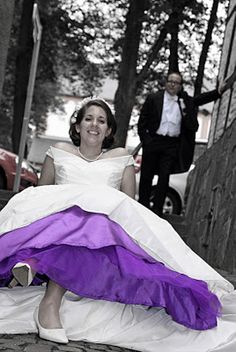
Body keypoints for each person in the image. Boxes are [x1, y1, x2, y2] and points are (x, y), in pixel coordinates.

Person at [0, 97, 236, 352]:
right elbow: (42, 194)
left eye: (102, 121)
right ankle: (42, 285)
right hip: (57, 221)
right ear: (78, 126)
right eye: (88, 119)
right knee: (72, 216)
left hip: (105, 231)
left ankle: (37, 272)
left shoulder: (121, 156)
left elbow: (127, 204)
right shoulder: (59, 150)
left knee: (93, 219)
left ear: (109, 130)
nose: (94, 124)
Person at [137, 72, 224, 216]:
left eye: (176, 82)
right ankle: (142, 208)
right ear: (166, 83)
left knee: (164, 177)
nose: (172, 84)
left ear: (180, 86)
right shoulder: (154, 98)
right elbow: (142, 121)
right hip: (153, 142)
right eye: (170, 81)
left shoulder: (184, 101)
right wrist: (146, 140)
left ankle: (157, 211)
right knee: (146, 176)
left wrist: (219, 91)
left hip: (171, 145)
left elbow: (200, 99)